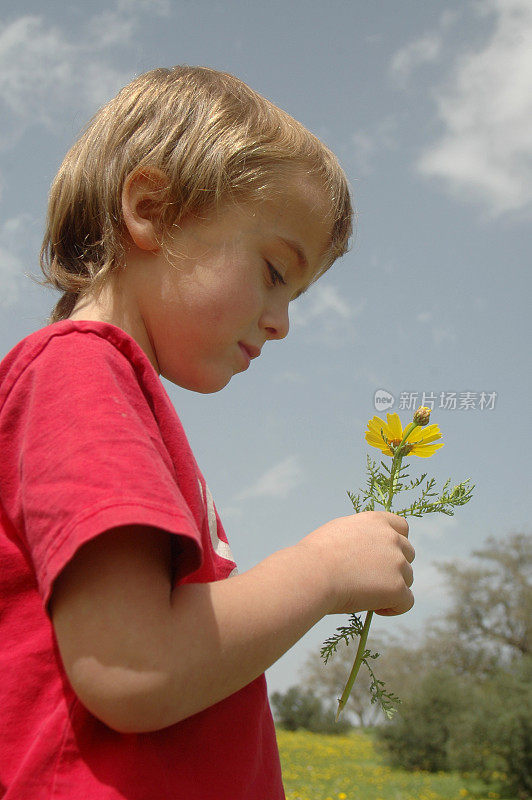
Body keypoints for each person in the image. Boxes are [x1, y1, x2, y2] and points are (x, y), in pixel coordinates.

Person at [0, 66, 415, 799]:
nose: (282, 322)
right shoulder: (79, 374)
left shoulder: (109, 389)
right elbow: (135, 669)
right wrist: (322, 571)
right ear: (152, 209)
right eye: (273, 271)